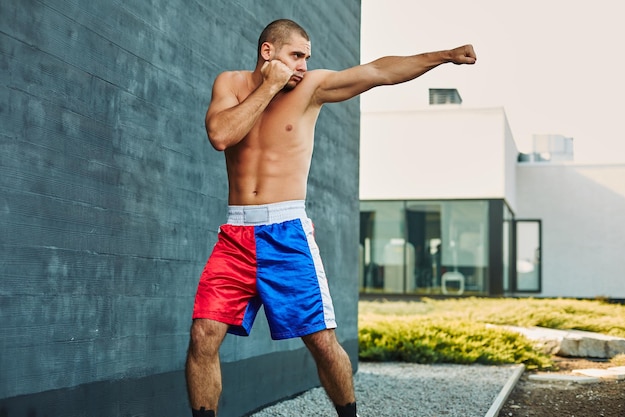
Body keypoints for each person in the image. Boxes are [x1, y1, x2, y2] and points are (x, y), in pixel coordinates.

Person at [186, 18, 476, 417]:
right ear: (267, 52)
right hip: (235, 233)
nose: (303, 65)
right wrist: (269, 86)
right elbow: (221, 135)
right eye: (296, 55)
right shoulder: (230, 84)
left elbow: (378, 71)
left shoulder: (311, 88)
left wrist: (442, 56)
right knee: (203, 335)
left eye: (307, 57)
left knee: (321, 342)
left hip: (286, 233)